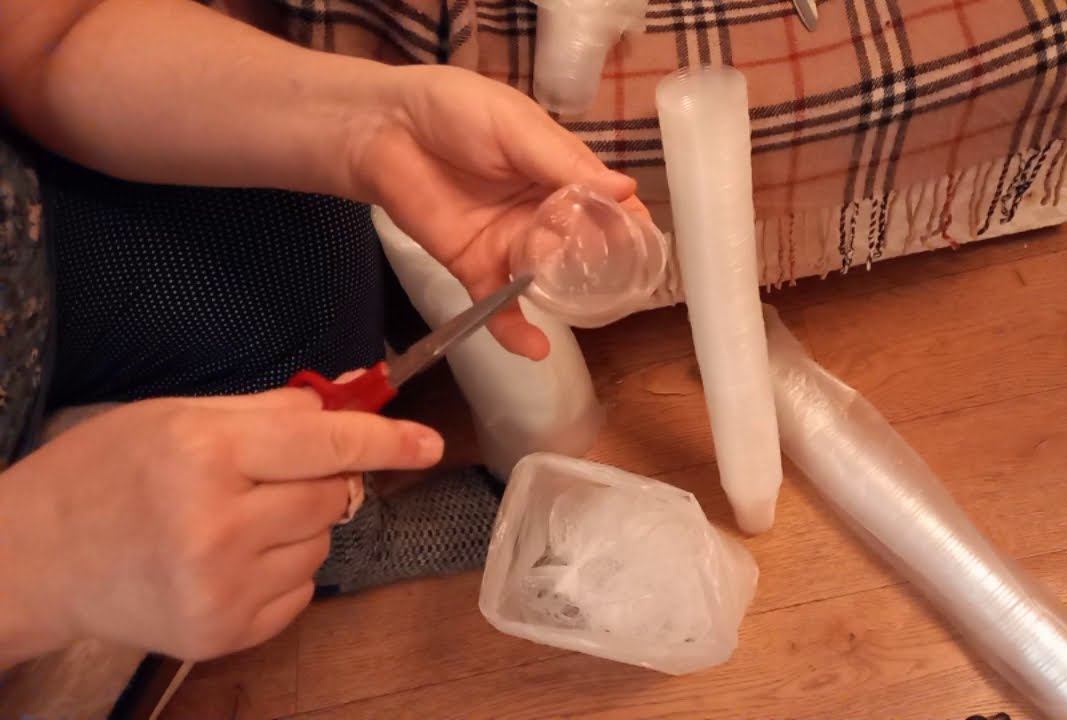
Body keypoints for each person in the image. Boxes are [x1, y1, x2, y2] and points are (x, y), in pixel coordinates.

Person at [0, 0, 643, 668]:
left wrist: (377, 124)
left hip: (38, 239)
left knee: (308, 237)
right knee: (275, 471)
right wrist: (40, 556)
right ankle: (346, 547)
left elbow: (50, 33)